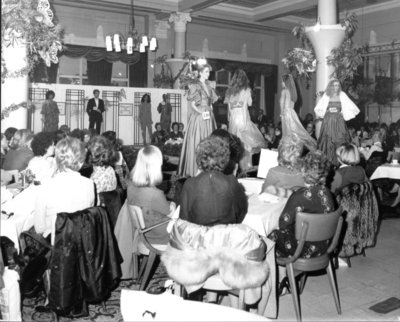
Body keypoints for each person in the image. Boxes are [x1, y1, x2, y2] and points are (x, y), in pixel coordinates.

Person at [268, 150, 337, 259]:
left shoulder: (298, 197)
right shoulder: (327, 193)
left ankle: (280, 273)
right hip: (324, 246)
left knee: (270, 235)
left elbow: (283, 224)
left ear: (303, 171)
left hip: (302, 249)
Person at [34, 137, 96, 244]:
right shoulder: (89, 184)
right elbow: (88, 216)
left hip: (57, 245)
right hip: (84, 242)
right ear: (81, 162)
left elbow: (39, 228)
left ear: (57, 158)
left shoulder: (46, 185)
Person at [179, 136, 248, 226]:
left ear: (200, 159)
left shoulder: (189, 184)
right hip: (225, 237)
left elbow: (184, 219)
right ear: (225, 159)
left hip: (198, 237)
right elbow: (241, 212)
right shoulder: (232, 181)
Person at [127, 145, 175, 244]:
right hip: (158, 237)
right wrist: (173, 204)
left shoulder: (130, 186)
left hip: (143, 232)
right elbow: (170, 214)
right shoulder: (155, 194)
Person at [178, 63, 218, 177]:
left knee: (209, 142)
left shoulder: (209, 85)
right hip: (199, 117)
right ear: (200, 73)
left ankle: (209, 169)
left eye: (209, 72)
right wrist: (201, 112)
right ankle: (194, 170)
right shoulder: (195, 85)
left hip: (209, 116)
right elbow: (192, 104)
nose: (208, 74)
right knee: (198, 141)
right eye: (206, 72)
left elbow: (211, 102)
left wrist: (211, 112)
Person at [224, 69, 266, 170]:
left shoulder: (229, 91)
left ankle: (235, 170)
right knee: (247, 145)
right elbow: (250, 103)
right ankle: (247, 170)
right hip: (243, 120)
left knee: (235, 146)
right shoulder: (247, 90)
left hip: (234, 121)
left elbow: (229, 108)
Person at [315, 79, 360, 165]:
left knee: (340, 140)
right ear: (330, 86)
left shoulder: (342, 95)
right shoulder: (326, 95)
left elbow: (349, 107)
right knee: (327, 142)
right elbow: (320, 109)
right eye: (334, 85)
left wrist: (342, 112)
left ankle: (342, 162)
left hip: (339, 121)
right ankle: (327, 163)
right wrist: (327, 111)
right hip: (328, 121)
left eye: (337, 85)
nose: (336, 87)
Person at [280, 74, 316, 152]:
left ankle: (288, 151)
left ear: (285, 82)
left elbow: (281, 102)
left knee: (288, 134)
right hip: (292, 113)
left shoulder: (284, 91)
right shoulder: (293, 93)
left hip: (286, 113)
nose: (281, 83)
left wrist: (281, 113)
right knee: (295, 132)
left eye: (282, 81)